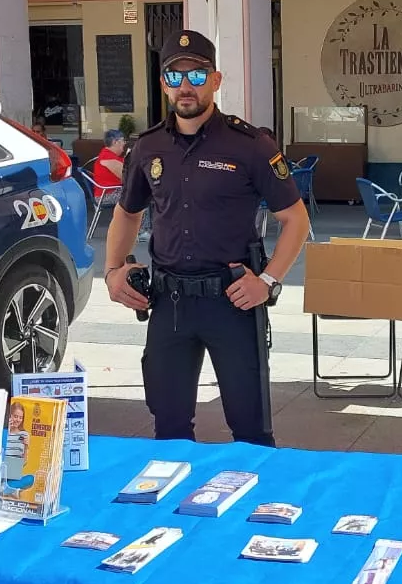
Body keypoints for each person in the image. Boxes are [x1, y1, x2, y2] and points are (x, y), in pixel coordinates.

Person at [105, 30, 311, 445]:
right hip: (169, 303)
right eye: (175, 76)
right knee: (169, 429)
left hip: (231, 302)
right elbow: (127, 213)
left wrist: (267, 281)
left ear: (215, 81)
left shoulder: (250, 145)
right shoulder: (148, 147)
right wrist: (112, 271)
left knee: (251, 430)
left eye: (197, 76)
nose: (186, 86)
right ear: (164, 84)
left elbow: (296, 219)